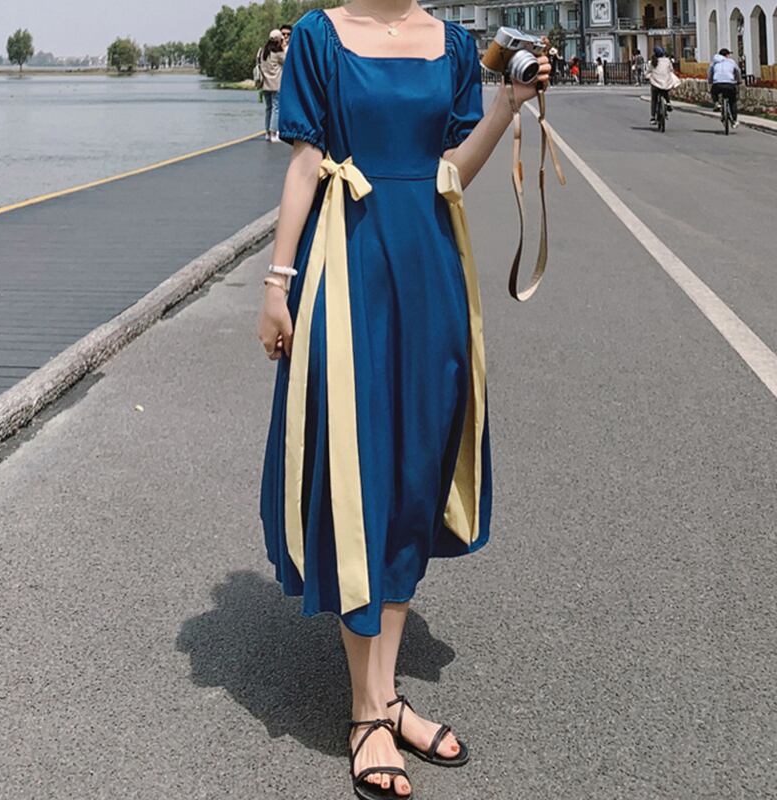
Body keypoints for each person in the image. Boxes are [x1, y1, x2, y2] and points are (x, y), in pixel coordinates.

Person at [257, 2, 551, 797]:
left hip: (429, 270)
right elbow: (305, 163)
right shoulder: (318, 37)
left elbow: (453, 169)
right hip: (346, 264)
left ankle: (385, 696)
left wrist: (508, 103)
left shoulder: (452, 44)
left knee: (416, 475)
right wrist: (277, 286)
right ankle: (367, 713)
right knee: (361, 472)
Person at [260, 30, 286, 143]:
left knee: (268, 108)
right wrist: (284, 48)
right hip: (276, 84)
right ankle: (273, 134)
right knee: (276, 108)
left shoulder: (263, 52)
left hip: (265, 84)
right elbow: (287, 61)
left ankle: (267, 133)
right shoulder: (278, 53)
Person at [645, 45, 680, 126]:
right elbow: (671, 70)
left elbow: (648, 72)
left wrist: (646, 77)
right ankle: (668, 103)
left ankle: (653, 117)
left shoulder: (653, 62)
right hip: (665, 83)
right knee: (665, 91)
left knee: (654, 99)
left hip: (655, 84)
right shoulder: (667, 61)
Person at [708, 48, 742, 129]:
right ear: (727, 55)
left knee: (713, 91)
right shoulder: (731, 62)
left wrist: (710, 81)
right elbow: (737, 71)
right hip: (730, 83)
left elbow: (710, 73)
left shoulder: (714, 62)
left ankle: (717, 103)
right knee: (733, 101)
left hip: (717, 83)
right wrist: (739, 81)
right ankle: (734, 120)